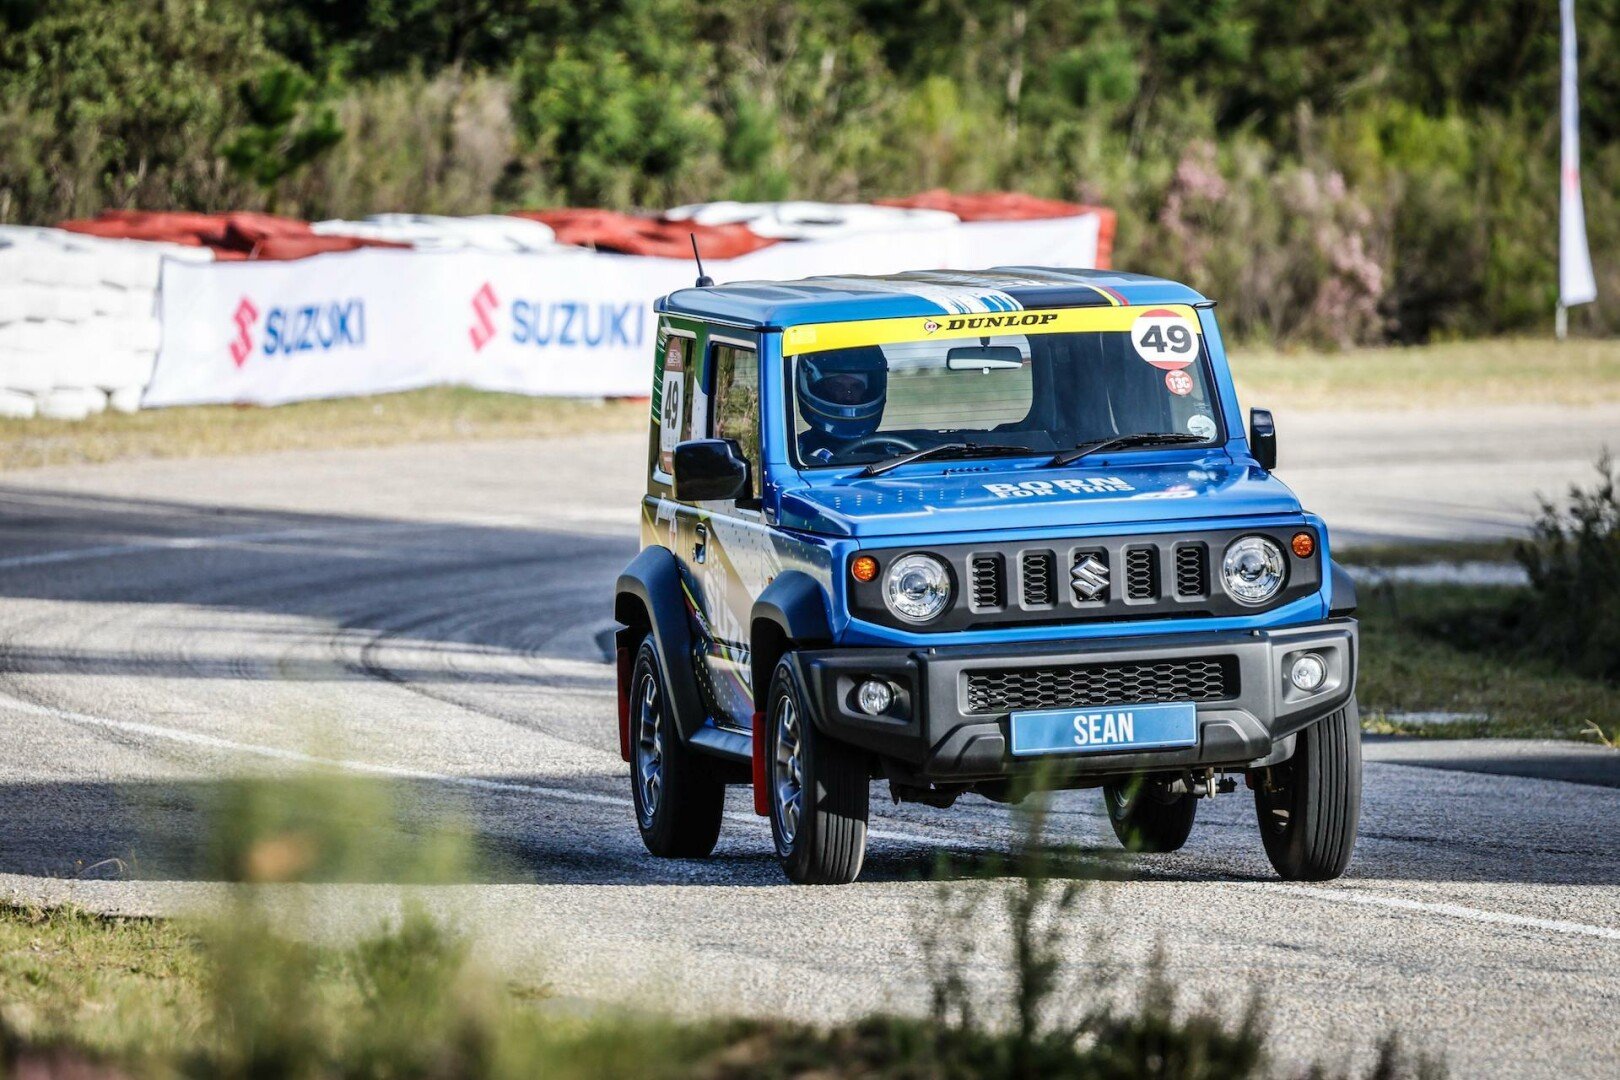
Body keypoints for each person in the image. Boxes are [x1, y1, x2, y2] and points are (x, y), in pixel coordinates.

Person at [795, 346, 888, 463]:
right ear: (822, 389)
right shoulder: (798, 454)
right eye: (837, 386)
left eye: (856, 386)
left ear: (867, 392)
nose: (848, 395)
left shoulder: (889, 451)